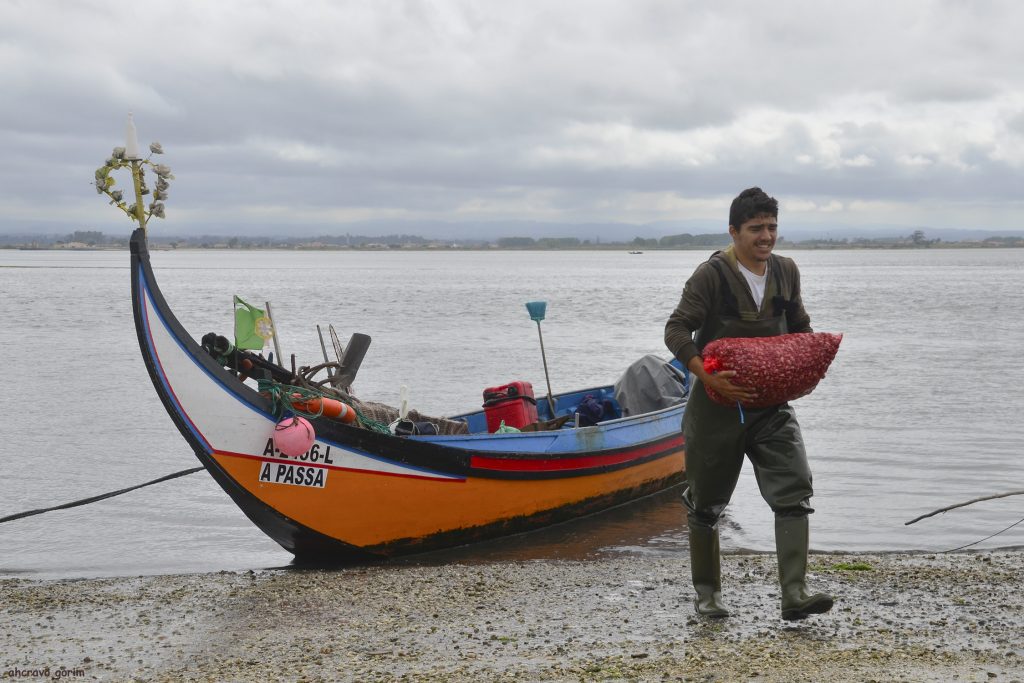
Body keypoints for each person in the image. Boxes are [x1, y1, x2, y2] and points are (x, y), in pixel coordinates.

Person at [664, 187, 834, 621]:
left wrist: (808, 366)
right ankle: (708, 594)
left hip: (771, 408)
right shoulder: (711, 275)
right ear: (734, 231)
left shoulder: (787, 271)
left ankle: (794, 594)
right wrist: (706, 375)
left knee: (794, 490)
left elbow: (800, 329)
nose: (766, 236)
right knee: (705, 504)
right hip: (715, 409)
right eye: (756, 228)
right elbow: (677, 329)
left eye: (772, 227)